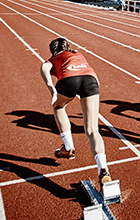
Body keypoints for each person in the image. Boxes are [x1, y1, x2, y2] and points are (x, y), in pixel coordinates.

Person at [39, 38, 113, 189]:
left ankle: (68, 147)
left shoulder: (54, 58)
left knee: (58, 107)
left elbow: (44, 67)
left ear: (53, 50)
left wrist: (50, 86)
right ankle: (103, 168)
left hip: (69, 80)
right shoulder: (77, 52)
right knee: (93, 130)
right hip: (90, 79)